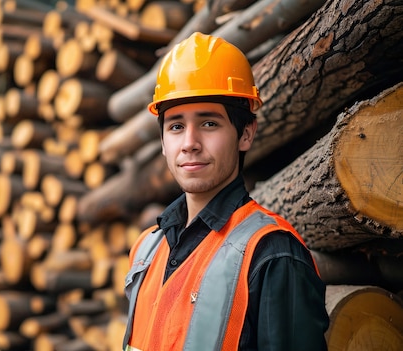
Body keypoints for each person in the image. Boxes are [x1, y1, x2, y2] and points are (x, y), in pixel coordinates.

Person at [122, 32, 329, 351]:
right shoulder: (147, 252)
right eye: (176, 126)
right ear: (163, 142)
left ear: (245, 133)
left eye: (209, 124)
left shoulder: (273, 257)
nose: (189, 142)